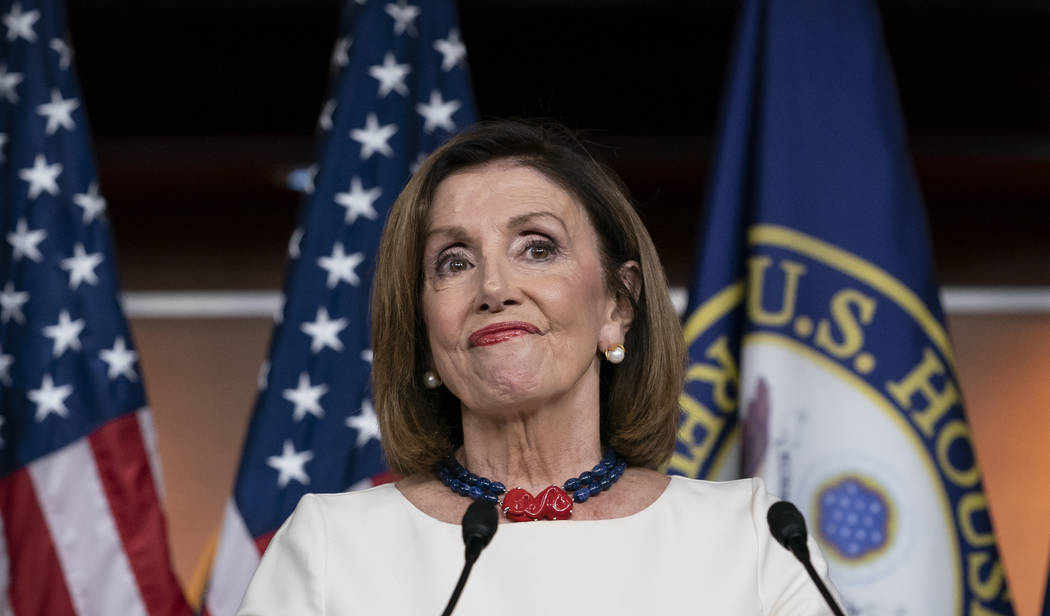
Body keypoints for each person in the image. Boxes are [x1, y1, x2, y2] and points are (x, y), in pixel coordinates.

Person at [237, 120, 838, 614]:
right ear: (423, 332)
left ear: (617, 306)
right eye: (453, 261)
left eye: (538, 248)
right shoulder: (329, 548)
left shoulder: (755, 539)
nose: (493, 287)